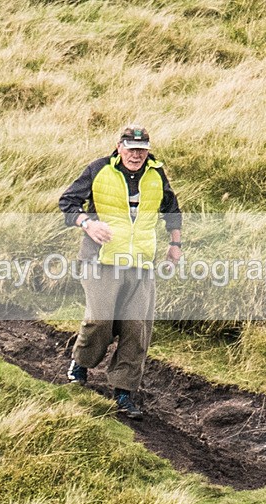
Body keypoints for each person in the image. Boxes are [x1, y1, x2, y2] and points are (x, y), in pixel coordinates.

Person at [58, 124, 182, 419]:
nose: (136, 154)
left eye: (142, 149)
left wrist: (175, 244)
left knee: (136, 328)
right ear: (119, 146)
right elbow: (68, 203)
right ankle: (81, 364)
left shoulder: (156, 174)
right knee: (101, 320)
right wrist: (87, 223)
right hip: (100, 260)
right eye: (131, 148)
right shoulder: (98, 169)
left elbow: (171, 208)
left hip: (140, 263)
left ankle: (124, 392)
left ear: (148, 150)